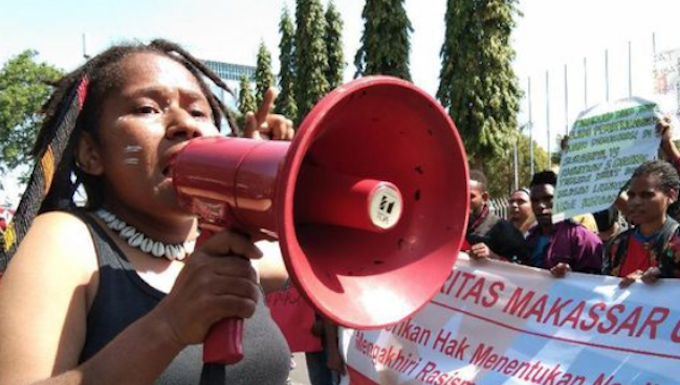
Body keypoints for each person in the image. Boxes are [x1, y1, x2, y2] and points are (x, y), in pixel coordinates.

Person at [0, 40, 295, 385]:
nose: (185, 123)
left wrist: (259, 182)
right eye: (146, 109)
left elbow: (332, 252)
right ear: (91, 153)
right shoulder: (65, 243)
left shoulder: (229, 243)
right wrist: (167, 328)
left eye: (199, 112)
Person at [603, 160, 680, 287]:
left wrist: (663, 277)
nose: (636, 202)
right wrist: (567, 277)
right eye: (631, 195)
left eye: (646, 195)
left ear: (671, 196)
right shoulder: (617, 244)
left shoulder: (676, 241)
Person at [525, 170, 603, 277]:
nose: (540, 206)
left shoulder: (584, 239)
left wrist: (571, 275)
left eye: (547, 198)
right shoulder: (529, 238)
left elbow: (593, 284)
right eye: (535, 200)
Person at [465, 170, 529, 263]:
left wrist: (493, 257)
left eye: (471, 196)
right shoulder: (450, 228)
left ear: (484, 197)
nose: (464, 200)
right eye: (461, 194)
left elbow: (523, 268)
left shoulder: (504, 230)